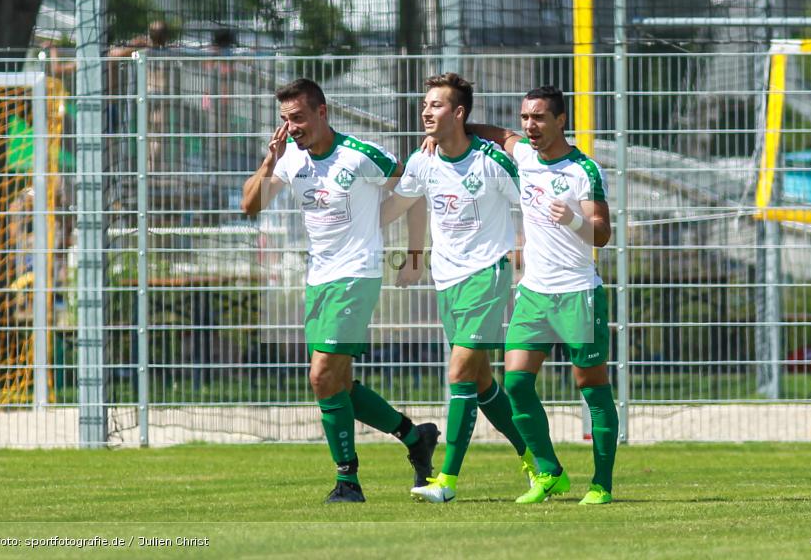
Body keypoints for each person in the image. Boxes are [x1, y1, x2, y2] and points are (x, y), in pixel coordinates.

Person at [241, 78, 439, 503]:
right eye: (285, 120)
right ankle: (414, 436)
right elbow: (250, 206)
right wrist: (268, 162)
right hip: (319, 280)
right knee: (339, 384)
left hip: (358, 275)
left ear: (321, 112)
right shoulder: (290, 158)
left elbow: (414, 191)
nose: (291, 127)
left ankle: (348, 480)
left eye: (297, 118)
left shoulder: (361, 155)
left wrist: (415, 253)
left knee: (320, 375)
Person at [381, 73, 538, 503]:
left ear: (460, 113)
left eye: (436, 105)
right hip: (446, 280)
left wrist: (538, 255)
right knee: (483, 383)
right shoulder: (422, 159)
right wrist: (404, 251)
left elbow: (535, 201)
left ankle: (446, 481)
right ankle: (539, 463)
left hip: (488, 276)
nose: (426, 111)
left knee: (459, 374)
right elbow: (401, 203)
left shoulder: (491, 160)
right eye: (425, 104)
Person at [469, 85, 617, 504]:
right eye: (525, 117)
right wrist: (450, 129)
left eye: (538, 117)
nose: (529, 126)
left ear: (560, 121)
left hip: (577, 293)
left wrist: (572, 219)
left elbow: (602, 234)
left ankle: (602, 483)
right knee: (515, 383)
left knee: (591, 384)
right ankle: (550, 471)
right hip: (534, 292)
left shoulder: (583, 171)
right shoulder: (525, 156)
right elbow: (497, 134)